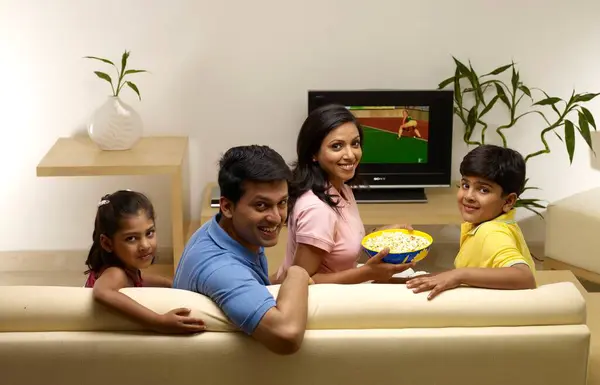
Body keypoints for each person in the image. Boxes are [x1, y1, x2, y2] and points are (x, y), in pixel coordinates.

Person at [173, 145, 312, 355]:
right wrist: (298, 272)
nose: (276, 217)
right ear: (227, 207)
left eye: (282, 203)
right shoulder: (221, 269)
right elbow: (287, 336)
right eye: (262, 206)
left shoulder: (217, 230)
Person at [274, 103, 414, 285]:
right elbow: (301, 282)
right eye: (337, 146)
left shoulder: (341, 189)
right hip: (325, 304)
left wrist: (377, 235)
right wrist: (368, 273)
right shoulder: (317, 209)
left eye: (355, 144)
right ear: (313, 154)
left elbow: (339, 244)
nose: (350, 155)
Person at [407, 145, 537, 300]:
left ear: (508, 200)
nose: (468, 196)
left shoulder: (492, 233)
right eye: (465, 185)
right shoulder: (491, 224)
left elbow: (524, 276)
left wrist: (460, 275)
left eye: (483, 190)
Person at [85, 190, 205, 334]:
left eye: (149, 233)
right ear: (107, 243)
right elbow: (102, 292)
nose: (145, 245)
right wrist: (159, 321)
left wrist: (170, 284)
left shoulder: (123, 272)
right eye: (131, 238)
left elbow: (136, 280)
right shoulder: (115, 273)